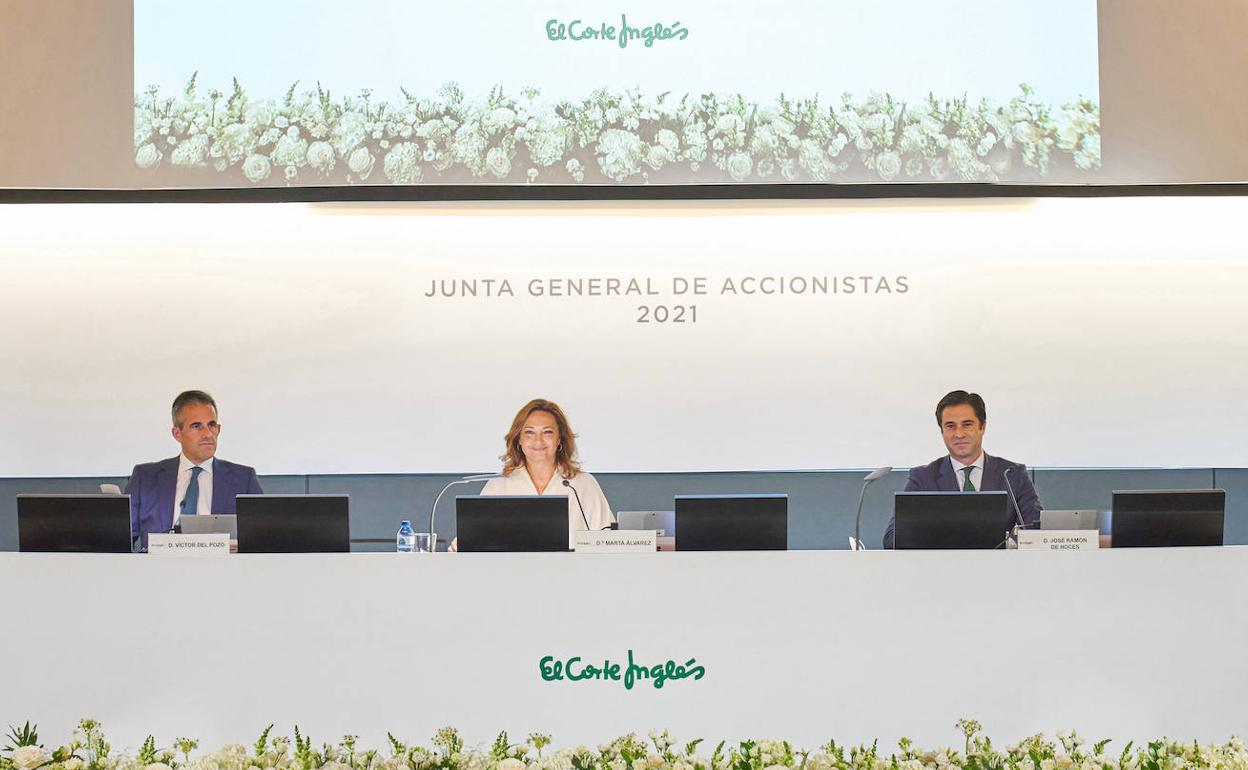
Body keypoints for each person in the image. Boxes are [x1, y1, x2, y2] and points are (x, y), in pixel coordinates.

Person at [883, 390, 1042, 549]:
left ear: (982, 427)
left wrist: (1008, 544)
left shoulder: (1013, 474)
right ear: (942, 431)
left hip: (999, 563)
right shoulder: (923, 478)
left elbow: (1037, 530)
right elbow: (892, 539)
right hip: (941, 564)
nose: (959, 434)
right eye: (950, 426)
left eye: (967, 424)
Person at [125, 390, 262, 549]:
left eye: (212, 425)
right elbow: (120, 540)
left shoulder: (244, 480)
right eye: (197, 426)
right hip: (159, 564)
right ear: (177, 434)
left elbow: (261, 540)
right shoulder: (145, 478)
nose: (208, 434)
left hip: (220, 564)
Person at [478, 398, 614, 548]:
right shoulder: (498, 486)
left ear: (559, 439)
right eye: (529, 432)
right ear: (519, 439)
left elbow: (609, 541)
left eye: (547, 432)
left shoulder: (583, 484)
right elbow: (477, 542)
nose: (538, 441)